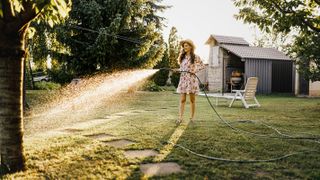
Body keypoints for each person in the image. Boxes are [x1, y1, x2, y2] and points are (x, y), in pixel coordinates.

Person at [176, 39, 205, 125]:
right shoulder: (182, 57)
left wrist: (195, 70)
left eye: (186, 46)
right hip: (183, 80)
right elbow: (181, 69)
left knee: (192, 100)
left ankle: (192, 118)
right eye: (184, 46)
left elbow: (202, 66)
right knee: (182, 100)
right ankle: (180, 118)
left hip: (192, 80)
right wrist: (177, 70)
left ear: (191, 46)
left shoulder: (196, 57)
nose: (184, 47)